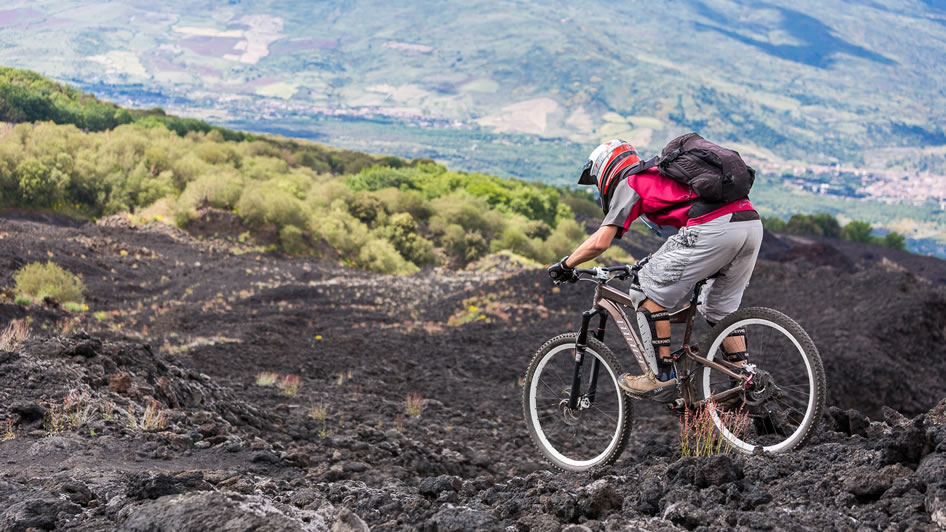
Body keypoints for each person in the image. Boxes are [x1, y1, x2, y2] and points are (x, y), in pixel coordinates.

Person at [547, 139, 763, 398]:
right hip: (749, 224)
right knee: (719, 309)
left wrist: (565, 264)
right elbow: (679, 241)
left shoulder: (631, 182)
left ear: (605, 170)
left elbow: (600, 242)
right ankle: (749, 386)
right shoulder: (659, 175)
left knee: (644, 289)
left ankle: (661, 377)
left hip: (713, 228)